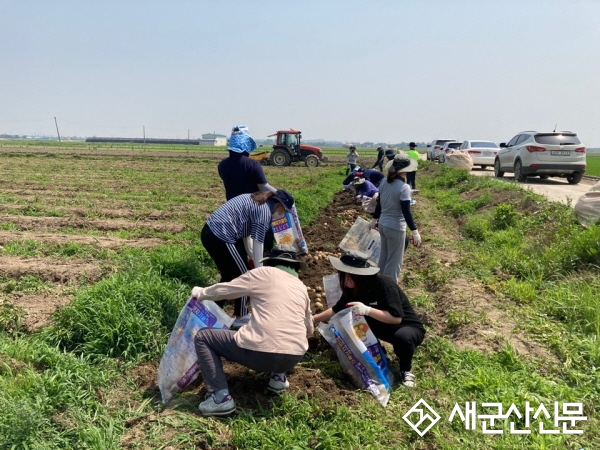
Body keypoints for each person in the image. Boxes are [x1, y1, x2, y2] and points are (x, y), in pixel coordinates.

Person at [191, 245, 313, 416]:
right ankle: (278, 379)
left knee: (204, 337)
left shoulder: (264, 274)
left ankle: (220, 398)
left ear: (271, 262)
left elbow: (227, 289)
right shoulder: (301, 287)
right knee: (282, 328)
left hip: (263, 355)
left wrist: (201, 293)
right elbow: (309, 329)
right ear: (294, 267)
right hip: (294, 356)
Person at [313, 250, 425, 388]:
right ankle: (379, 354)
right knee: (352, 324)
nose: (346, 281)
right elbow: (337, 309)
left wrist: (367, 310)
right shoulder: (352, 289)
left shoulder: (384, 284)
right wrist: (313, 319)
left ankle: (405, 370)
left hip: (405, 327)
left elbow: (396, 319)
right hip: (380, 326)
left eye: (350, 277)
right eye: (344, 276)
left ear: (360, 276)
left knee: (403, 338)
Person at [201, 190, 296, 328]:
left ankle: (210, 308)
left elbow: (247, 236)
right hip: (221, 235)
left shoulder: (257, 200)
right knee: (245, 276)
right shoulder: (264, 212)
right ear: (279, 205)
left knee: (230, 275)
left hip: (211, 232)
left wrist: (251, 257)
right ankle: (242, 315)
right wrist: (260, 273)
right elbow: (259, 243)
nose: (283, 214)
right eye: (284, 211)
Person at [370, 154, 421, 282]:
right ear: (405, 170)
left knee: (383, 259)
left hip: (383, 225)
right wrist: (415, 232)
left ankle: (378, 288)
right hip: (395, 228)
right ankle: (389, 293)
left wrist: (374, 220)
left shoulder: (384, 182)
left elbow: (379, 204)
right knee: (394, 264)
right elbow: (406, 212)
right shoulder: (404, 187)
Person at [218, 125, 277, 200]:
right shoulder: (253, 165)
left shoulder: (222, 165)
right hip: (251, 208)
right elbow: (263, 187)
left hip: (232, 207)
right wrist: (281, 195)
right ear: (246, 143)